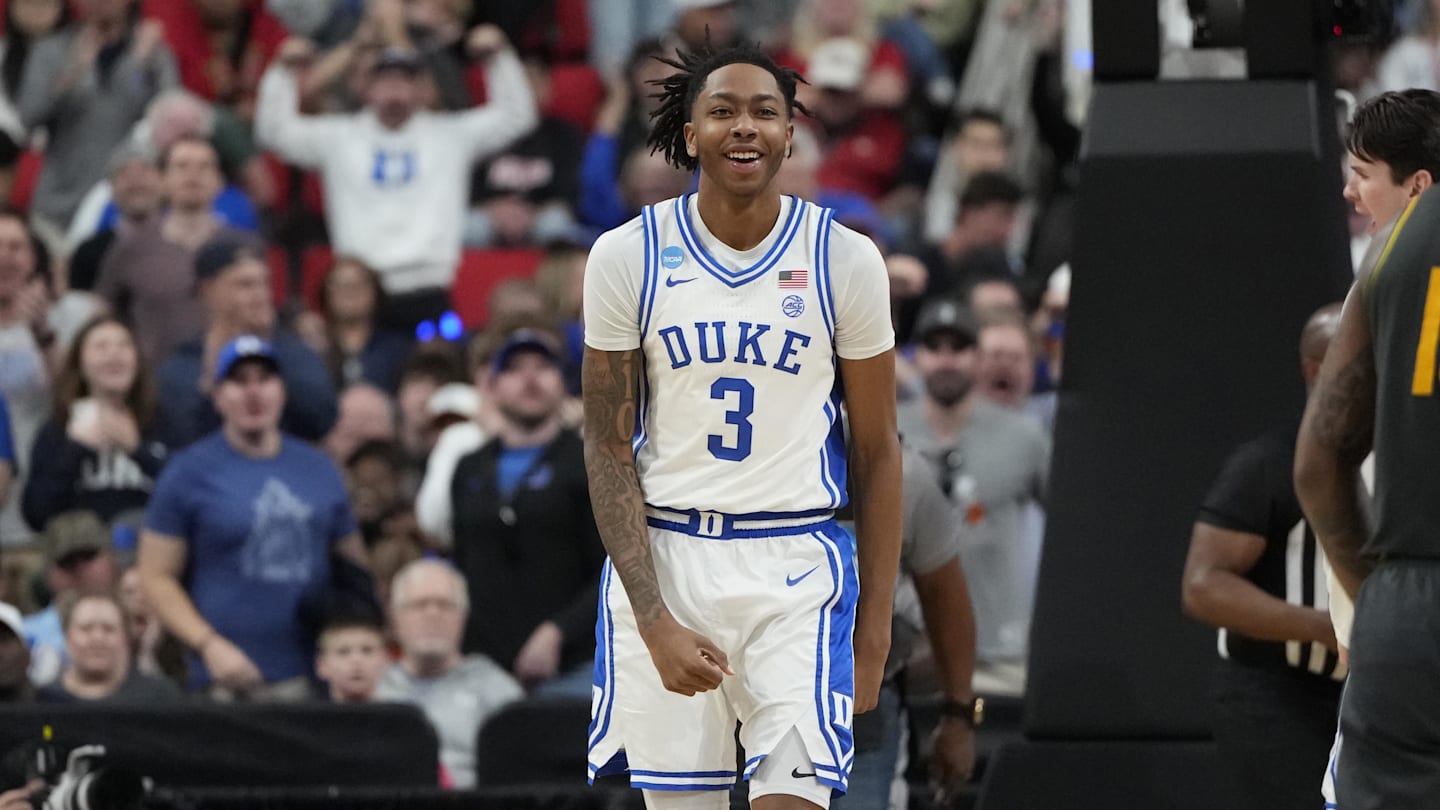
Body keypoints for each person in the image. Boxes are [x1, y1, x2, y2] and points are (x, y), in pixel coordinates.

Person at [581, 39, 901, 808]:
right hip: (669, 555)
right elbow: (604, 442)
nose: (745, 126)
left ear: (792, 133)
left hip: (794, 565)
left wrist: (875, 632)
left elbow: (879, 450)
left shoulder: (845, 259)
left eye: (765, 110)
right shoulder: (628, 255)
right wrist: (654, 621)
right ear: (690, 135)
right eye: (722, 110)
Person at [1294, 89, 1440, 809]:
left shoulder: (1385, 262)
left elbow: (1316, 466)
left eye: (1362, 173)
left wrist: (1368, 601)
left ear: (1417, 183)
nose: (1350, 191)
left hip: (1405, 606)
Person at [256, 28, 537, 327]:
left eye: (404, 79)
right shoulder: (338, 138)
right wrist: (282, 72)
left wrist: (498, 59)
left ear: (420, 89)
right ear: (367, 88)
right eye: (385, 80)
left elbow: (516, 117)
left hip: (429, 284)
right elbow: (274, 132)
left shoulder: (450, 135)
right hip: (363, 289)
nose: (395, 89)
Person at [139, 335, 367, 700]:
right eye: (239, 381)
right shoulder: (188, 471)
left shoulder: (320, 469)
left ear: (282, 390)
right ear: (218, 395)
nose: (253, 392)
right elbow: (155, 576)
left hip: (311, 678)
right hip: (224, 682)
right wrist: (209, 644)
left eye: (264, 379)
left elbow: (355, 569)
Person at [1183, 305, 1346, 810]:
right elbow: (1203, 587)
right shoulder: (1268, 465)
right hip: (1273, 694)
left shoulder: (1394, 462)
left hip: (1366, 695)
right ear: (1317, 370)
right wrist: (1325, 626)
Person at [897, 298, 1048, 697]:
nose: (946, 361)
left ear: (978, 358)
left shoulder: (1023, 436)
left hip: (1000, 652)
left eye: (959, 348)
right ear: (917, 356)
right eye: (934, 348)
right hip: (906, 656)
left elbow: (1077, 534)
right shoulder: (888, 429)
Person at [450, 329, 605, 694]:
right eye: (515, 369)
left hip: (575, 663)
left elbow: (612, 569)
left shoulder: (590, 464)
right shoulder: (469, 468)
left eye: (543, 367)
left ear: (563, 382)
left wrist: (557, 633)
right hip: (483, 668)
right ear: (492, 385)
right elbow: (462, 565)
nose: (531, 378)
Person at [155, 234, 338, 448]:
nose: (261, 295)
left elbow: (322, 418)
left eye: (264, 283)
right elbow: (178, 437)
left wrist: (264, 354)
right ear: (208, 291)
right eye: (245, 285)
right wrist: (213, 374)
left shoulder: (293, 352)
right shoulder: (182, 366)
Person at [94, 136, 247, 363]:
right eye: (182, 166)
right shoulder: (131, 246)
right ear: (163, 180)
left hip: (233, 376)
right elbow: (104, 311)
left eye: (204, 167)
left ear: (219, 181)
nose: (193, 176)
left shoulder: (243, 247)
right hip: (156, 382)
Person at [375, 559, 524, 790]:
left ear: (463, 616)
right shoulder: (372, 687)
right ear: (394, 618)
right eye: (419, 604)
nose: (433, 614)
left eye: (445, 605)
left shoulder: (497, 689)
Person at [22, 316, 165, 531]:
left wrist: (138, 451)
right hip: (80, 557)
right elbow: (37, 514)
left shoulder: (164, 422)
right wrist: (76, 449)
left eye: (123, 345)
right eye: (101, 347)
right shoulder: (56, 430)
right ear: (79, 364)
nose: (113, 354)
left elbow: (192, 495)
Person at [19, 510, 119, 685]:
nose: (79, 570)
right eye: (67, 562)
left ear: (111, 560)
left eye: (88, 557)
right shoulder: (23, 635)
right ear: (48, 574)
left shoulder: (136, 627)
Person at [36, 592, 181, 704]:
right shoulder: (43, 700)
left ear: (126, 637)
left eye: (109, 629)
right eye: (86, 628)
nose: (98, 638)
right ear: (67, 637)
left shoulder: (159, 697)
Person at [314, 613, 389, 703]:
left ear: (385, 661)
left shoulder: (405, 712)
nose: (356, 660)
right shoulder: (303, 714)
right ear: (322, 665)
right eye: (343, 651)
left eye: (367, 650)